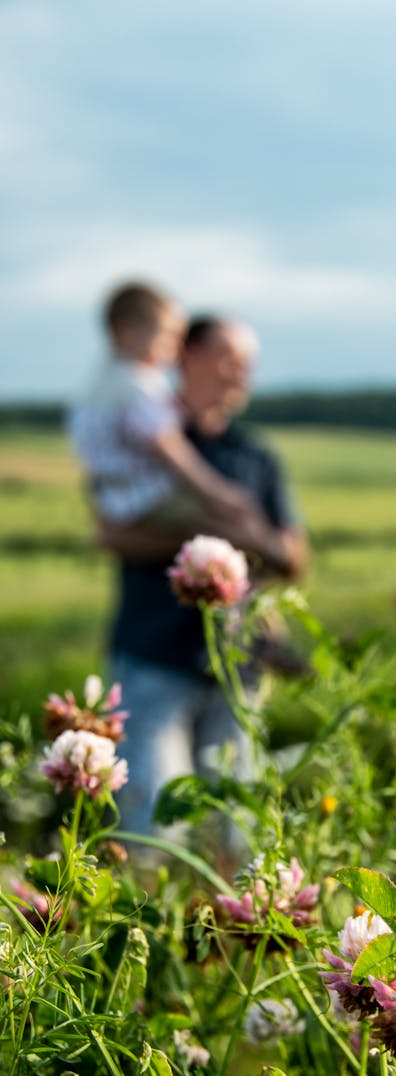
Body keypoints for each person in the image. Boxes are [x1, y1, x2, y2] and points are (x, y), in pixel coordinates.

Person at [95, 315, 309, 837]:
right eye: (229, 358)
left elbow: (294, 556)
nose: (241, 373)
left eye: (248, 364)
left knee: (235, 828)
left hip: (238, 667)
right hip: (153, 654)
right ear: (184, 357)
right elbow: (112, 533)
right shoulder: (144, 438)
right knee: (151, 825)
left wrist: (250, 540)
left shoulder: (255, 456)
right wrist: (201, 533)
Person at [69, 281, 254, 530]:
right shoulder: (138, 387)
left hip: (113, 499)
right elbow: (170, 448)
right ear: (128, 332)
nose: (175, 349)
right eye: (167, 336)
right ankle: (263, 549)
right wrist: (219, 493)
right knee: (225, 523)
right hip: (147, 497)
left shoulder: (101, 384)